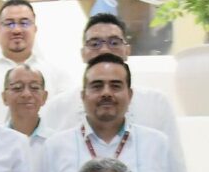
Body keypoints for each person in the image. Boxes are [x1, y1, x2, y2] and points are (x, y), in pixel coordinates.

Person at [35, 55, 190, 172]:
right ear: (83, 96)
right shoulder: (54, 147)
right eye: (97, 86)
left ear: (130, 95)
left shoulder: (158, 145)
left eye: (115, 86)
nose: (106, 93)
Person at [77, 10, 185, 148]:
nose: (104, 50)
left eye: (114, 42)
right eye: (94, 43)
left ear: (127, 51)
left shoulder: (156, 104)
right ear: (82, 53)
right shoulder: (58, 107)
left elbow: (173, 163)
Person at [0, 0, 61, 126]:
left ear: (35, 28)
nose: (17, 30)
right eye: (9, 24)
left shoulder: (56, 74)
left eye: (24, 23)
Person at [1, 64, 52, 147]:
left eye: (34, 88)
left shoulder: (57, 142)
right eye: (17, 88)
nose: (26, 94)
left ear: (44, 97)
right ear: (4, 97)